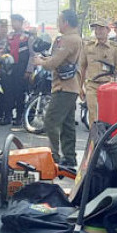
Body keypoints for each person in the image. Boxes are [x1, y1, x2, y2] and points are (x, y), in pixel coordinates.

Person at [35, 9, 82, 166]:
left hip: (63, 87)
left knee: (50, 120)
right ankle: (69, 157)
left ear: (66, 23)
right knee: (67, 125)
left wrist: (41, 62)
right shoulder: (74, 38)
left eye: (59, 21)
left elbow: (53, 64)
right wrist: (47, 59)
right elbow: (58, 59)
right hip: (69, 87)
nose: (58, 25)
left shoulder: (69, 39)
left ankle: (53, 156)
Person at [79, 19, 117, 127]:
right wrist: (80, 87)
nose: (98, 31)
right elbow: (82, 67)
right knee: (94, 115)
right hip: (92, 85)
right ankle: (94, 141)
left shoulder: (115, 47)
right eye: (96, 28)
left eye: (101, 28)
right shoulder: (88, 46)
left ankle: (107, 141)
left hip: (109, 86)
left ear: (108, 30)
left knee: (109, 116)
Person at [3, 13, 36, 128]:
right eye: (12, 21)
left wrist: (29, 70)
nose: (13, 24)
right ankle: (7, 116)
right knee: (8, 93)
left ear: (21, 23)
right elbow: (6, 50)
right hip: (10, 68)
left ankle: (19, 117)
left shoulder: (28, 36)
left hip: (22, 69)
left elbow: (32, 55)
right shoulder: (10, 36)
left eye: (15, 21)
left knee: (20, 94)